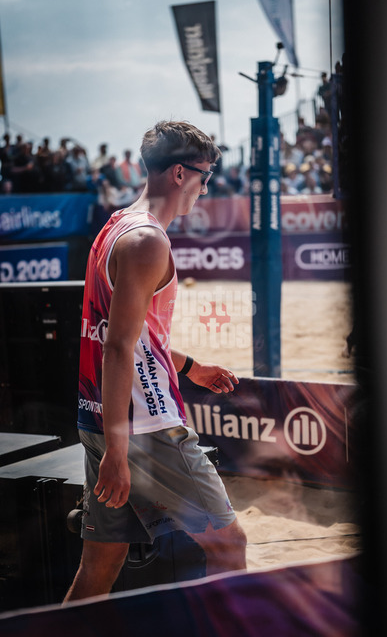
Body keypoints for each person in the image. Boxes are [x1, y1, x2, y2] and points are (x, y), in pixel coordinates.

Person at [63, 121, 247, 602]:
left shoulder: (115, 226)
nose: (206, 189)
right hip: (143, 428)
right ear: (180, 173)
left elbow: (131, 335)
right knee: (230, 546)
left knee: (99, 565)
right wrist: (119, 451)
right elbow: (119, 346)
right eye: (205, 176)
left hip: (98, 418)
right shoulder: (148, 241)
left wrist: (190, 367)